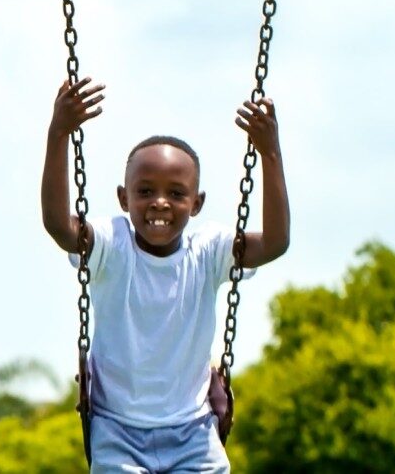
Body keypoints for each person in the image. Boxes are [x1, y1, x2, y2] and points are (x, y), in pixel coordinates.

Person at [40, 78, 291, 473]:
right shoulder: (112, 244)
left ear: (197, 203)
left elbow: (275, 243)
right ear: (124, 198)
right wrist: (59, 134)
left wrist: (270, 153)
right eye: (145, 191)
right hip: (117, 430)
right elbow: (60, 226)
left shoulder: (207, 252)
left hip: (192, 431)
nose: (160, 202)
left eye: (176, 193)